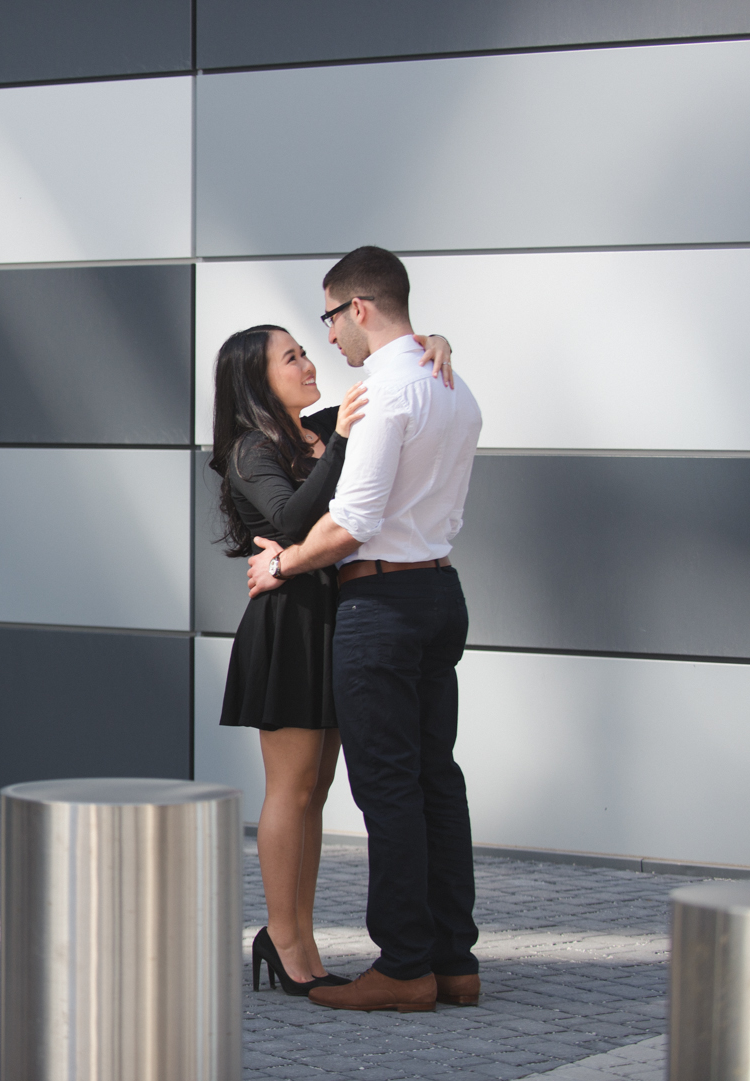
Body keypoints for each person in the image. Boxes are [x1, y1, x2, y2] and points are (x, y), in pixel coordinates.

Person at [245, 246, 484, 1013]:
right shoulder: (453, 385)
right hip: (441, 591)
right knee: (435, 780)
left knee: (387, 787)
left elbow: (351, 522)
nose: (330, 340)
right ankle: (454, 960)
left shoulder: (386, 392)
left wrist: (283, 567)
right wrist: (435, 339)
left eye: (330, 318)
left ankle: (405, 966)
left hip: (380, 605)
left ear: (359, 309)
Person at [208, 322, 453, 996]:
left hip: (337, 619)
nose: (308, 363)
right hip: (288, 627)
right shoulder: (250, 449)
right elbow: (290, 523)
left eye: (305, 351)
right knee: (291, 788)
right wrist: (341, 442)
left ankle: (301, 936)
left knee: (317, 790)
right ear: (258, 379)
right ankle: (284, 938)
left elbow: (396, 373)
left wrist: (435, 343)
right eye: (291, 357)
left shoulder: (315, 427)